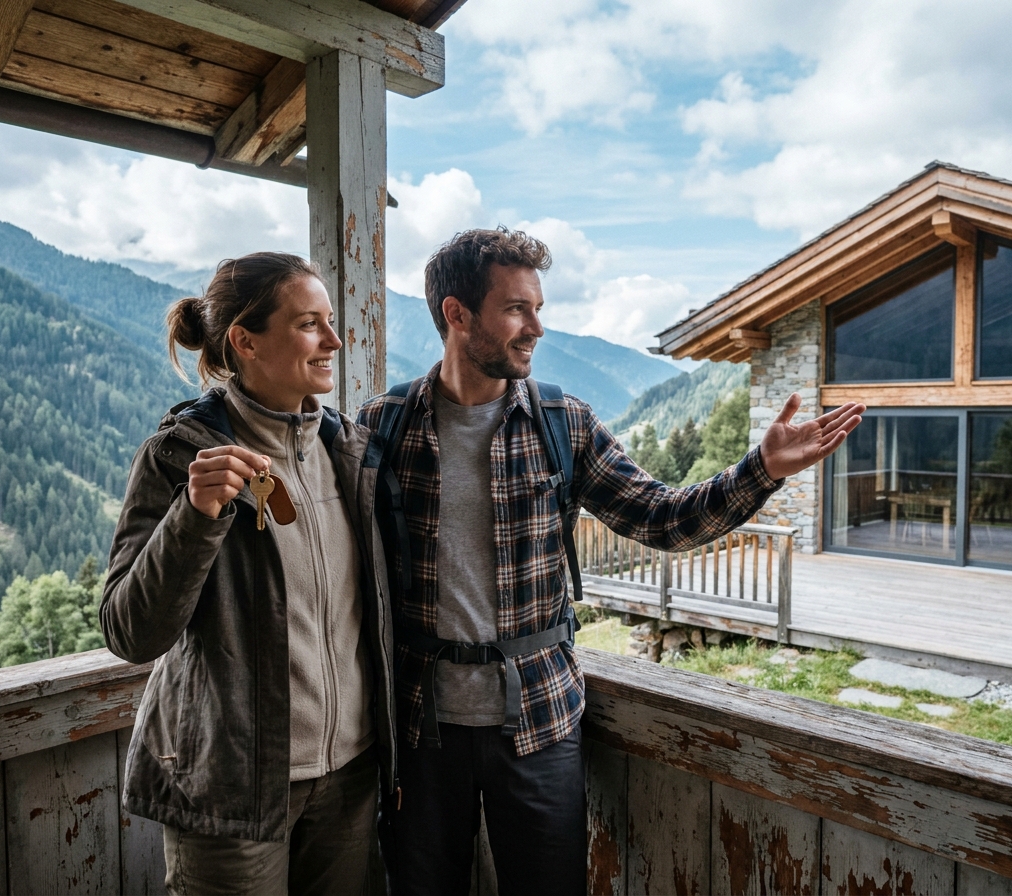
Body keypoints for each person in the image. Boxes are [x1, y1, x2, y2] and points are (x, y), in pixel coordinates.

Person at [357, 228, 865, 896]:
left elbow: (663, 517)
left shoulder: (563, 422)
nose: (537, 327)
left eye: (538, 308)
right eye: (516, 309)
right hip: (419, 729)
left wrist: (760, 470)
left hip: (540, 720)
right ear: (457, 314)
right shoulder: (383, 426)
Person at [101, 252, 397, 896]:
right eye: (309, 324)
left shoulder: (349, 452)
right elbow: (129, 632)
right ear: (245, 340)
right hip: (233, 788)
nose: (334, 341)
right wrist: (194, 515)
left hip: (349, 779)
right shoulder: (178, 457)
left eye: (330, 321)